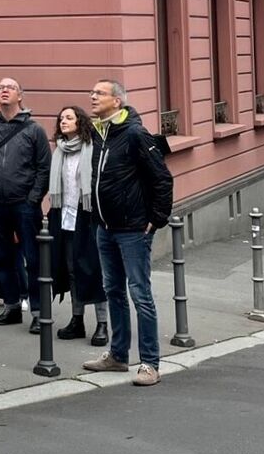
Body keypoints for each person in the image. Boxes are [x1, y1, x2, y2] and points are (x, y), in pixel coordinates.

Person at [82, 79, 174, 387]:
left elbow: (162, 178)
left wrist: (156, 219)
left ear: (117, 102)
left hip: (133, 229)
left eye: (99, 93)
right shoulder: (100, 132)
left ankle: (150, 363)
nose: (92, 97)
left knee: (139, 293)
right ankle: (118, 356)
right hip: (105, 227)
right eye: (92, 92)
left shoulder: (134, 133)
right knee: (114, 292)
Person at [0, 75, 50, 333]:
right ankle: (12, 306)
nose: (4, 91)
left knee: (33, 258)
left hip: (24, 205)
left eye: (10, 88)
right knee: (2, 258)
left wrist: (33, 199)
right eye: (1, 87)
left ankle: (39, 311)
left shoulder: (34, 130)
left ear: (20, 96)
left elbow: (43, 168)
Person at [47, 105, 108, 344]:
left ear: (79, 122)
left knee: (94, 270)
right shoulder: (60, 151)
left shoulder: (92, 148)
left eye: (69, 118)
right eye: (61, 118)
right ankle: (77, 319)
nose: (63, 121)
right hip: (65, 217)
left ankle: (102, 323)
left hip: (89, 215)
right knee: (71, 271)